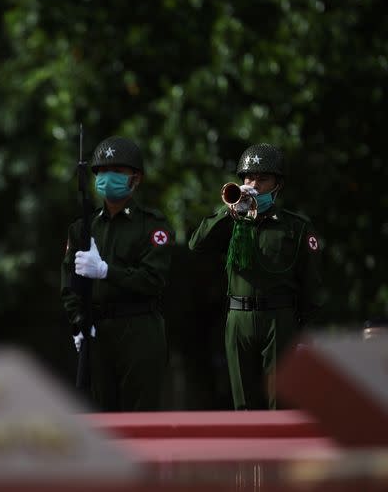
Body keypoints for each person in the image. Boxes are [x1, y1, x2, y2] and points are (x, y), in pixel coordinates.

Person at [189, 143, 323, 410]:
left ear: (277, 185)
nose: (253, 184)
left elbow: (310, 285)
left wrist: (306, 335)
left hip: (278, 319)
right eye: (249, 178)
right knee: (244, 407)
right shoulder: (232, 221)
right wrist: (227, 213)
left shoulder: (295, 227)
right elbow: (196, 244)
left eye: (262, 179)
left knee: (280, 403)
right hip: (238, 318)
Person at [60, 136, 173, 411]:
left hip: (139, 328)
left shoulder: (152, 226)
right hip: (97, 330)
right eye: (102, 172)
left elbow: (153, 280)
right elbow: (69, 284)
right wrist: (78, 320)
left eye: (118, 172)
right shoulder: (81, 229)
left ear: (136, 179)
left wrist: (106, 271)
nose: (108, 178)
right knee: (103, 419)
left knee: (140, 417)